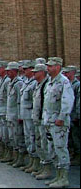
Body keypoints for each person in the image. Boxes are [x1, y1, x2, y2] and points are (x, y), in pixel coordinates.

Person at [42, 57, 74, 188]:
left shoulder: (63, 82)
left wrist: (61, 118)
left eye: (50, 66)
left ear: (57, 67)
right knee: (52, 149)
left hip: (59, 123)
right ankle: (58, 176)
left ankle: (64, 178)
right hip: (50, 122)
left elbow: (67, 101)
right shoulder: (50, 81)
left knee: (60, 149)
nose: (47, 68)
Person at [31, 64, 53, 179]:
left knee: (45, 145)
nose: (33, 73)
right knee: (39, 143)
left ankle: (47, 169)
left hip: (45, 120)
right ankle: (42, 166)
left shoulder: (46, 85)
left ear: (42, 73)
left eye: (36, 72)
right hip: (38, 119)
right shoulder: (39, 85)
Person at [5, 61, 26, 168]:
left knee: (18, 136)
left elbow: (20, 101)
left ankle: (21, 158)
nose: (7, 72)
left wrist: (20, 115)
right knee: (12, 136)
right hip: (10, 114)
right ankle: (16, 156)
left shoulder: (19, 83)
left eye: (9, 71)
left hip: (16, 115)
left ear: (14, 71)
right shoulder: (10, 83)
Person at [19, 60, 38, 172]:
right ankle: (31, 162)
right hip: (25, 115)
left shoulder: (35, 83)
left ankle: (36, 163)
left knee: (33, 138)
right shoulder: (26, 82)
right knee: (28, 138)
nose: (24, 71)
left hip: (31, 115)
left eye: (26, 69)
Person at [62, 65, 80, 166]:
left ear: (72, 73)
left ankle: (78, 155)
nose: (65, 74)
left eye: (67, 72)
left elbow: (77, 101)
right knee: (71, 137)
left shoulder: (77, 85)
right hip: (69, 114)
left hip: (74, 114)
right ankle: (73, 153)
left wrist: (77, 114)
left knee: (76, 136)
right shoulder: (68, 84)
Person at [0, 61, 11, 162]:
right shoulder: (1, 80)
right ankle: (3, 151)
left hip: (6, 111)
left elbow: (9, 98)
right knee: (2, 133)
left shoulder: (8, 81)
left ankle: (10, 154)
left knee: (9, 134)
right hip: (1, 110)